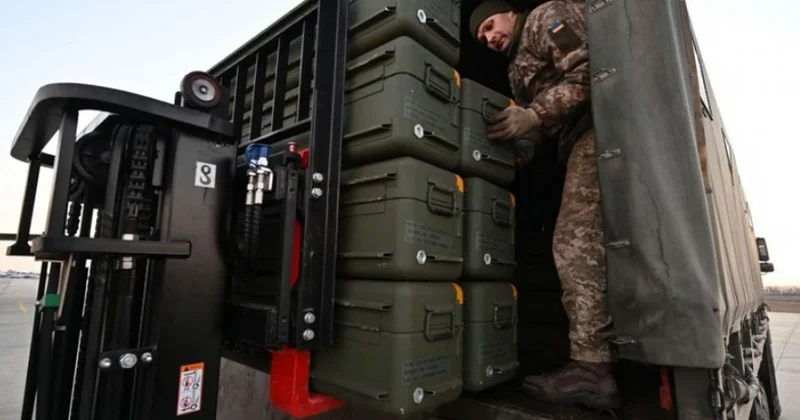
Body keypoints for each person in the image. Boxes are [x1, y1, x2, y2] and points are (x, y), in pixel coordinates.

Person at [469, 0, 620, 410]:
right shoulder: (515, 70)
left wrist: (532, 115)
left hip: (602, 128)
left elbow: (593, 71)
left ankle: (592, 369)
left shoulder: (544, 18)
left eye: (490, 25)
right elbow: (541, 124)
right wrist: (523, 145)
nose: (488, 37)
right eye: (482, 37)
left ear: (509, 14)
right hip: (575, 140)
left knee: (573, 245)